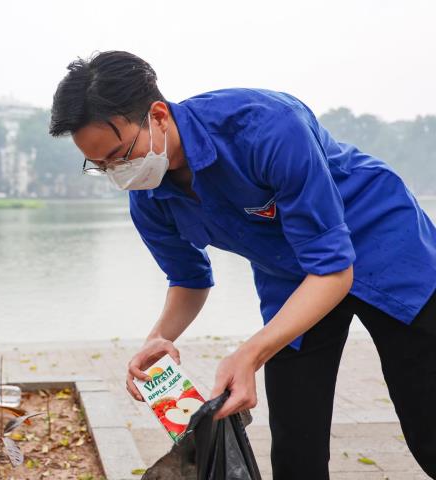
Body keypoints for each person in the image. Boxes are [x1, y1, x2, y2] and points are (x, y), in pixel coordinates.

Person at [49, 51, 436, 479]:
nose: (118, 173)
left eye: (121, 155)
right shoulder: (149, 197)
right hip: (291, 280)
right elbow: (189, 279)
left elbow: (333, 269)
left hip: (384, 246)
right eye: (102, 166)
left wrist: (249, 354)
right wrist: (159, 338)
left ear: (158, 116)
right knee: (295, 446)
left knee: (427, 422)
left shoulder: (265, 126)